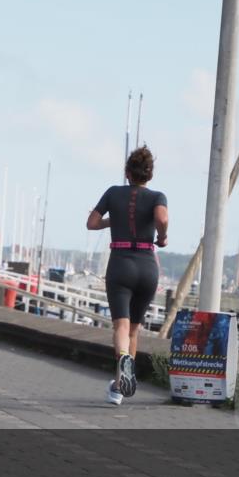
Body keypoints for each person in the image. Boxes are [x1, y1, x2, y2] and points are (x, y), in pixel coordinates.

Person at [87, 146, 168, 405]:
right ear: (150, 175)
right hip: (147, 265)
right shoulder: (158, 195)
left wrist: (115, 220)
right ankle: (120, 387)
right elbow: (161, 218)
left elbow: (91, 223)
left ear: (127, 172)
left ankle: (123, 364)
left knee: (121, 326)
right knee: (134, 329)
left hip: (121, 264)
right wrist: (162, 236)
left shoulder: (113, 193)